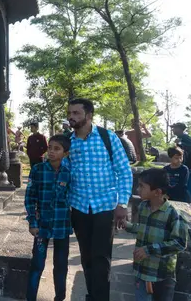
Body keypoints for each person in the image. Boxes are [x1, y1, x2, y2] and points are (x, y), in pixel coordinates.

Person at [67, 98, 133, 301]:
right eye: (69, 113)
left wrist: (122, 204)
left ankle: (101, 298)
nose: (71, 117)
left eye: (76, 113)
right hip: (79, 207)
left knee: (101, 258)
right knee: (86, 256)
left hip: (105, 207)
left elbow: (124, 172)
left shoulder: (107, 137)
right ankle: (91, 295)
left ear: (89, 115)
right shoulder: (68, 141)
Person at [25, 135, 72, 301]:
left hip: (62, 226)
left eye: (57, 148)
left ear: (66, 153)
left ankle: (60, 297)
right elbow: (30, 198)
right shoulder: (38, 170)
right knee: (37, 264)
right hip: (41, 226)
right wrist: (32, 222)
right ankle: (30, 297)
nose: (51, 151)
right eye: (50, 147)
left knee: (61, 265)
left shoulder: (70, 172)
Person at [133, 168, 187, 301]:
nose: (137, 190)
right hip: (142, 270)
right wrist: (127, 225)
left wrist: (149, 250)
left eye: (141, 186)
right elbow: (143, 228)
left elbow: (180, 243)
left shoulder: (173, 214)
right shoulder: (143, 207)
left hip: (162, 275)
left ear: (157, 192)